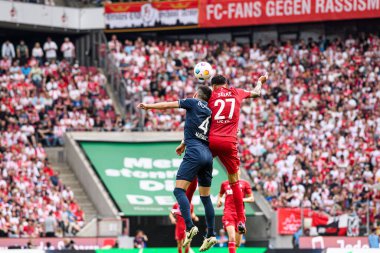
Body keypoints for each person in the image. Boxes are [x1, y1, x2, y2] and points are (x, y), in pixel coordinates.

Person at [181, 73, 268, 234]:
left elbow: (197, 121)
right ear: (226, 85)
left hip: (211, 140)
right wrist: (260, 81)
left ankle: (185, 208)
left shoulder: (211, 95)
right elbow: (256, 93)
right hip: (229, 142)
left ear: (213, 86)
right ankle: (241, 221)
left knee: (195, 169)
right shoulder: (236, 92)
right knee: (234, 181)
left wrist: (184, 142)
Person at [138, 85, 217, 252]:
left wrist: (149, 106)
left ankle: (189, 227)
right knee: (206, 197)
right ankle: (211, 234)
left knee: (179, 191)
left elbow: (168, 104)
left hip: (194, 152)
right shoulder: (211, 111)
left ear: (196, 94)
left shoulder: (192, 102)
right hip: (208, 155)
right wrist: (182, 143)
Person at [217, 177, 254, 253]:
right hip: (228, 213)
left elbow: (251, 198)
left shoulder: (244, 183)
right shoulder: (224, 184)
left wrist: (241, 199)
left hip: (240, 214)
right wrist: (219, 201)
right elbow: (220, 195)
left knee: (237, 243)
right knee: (232, 237)